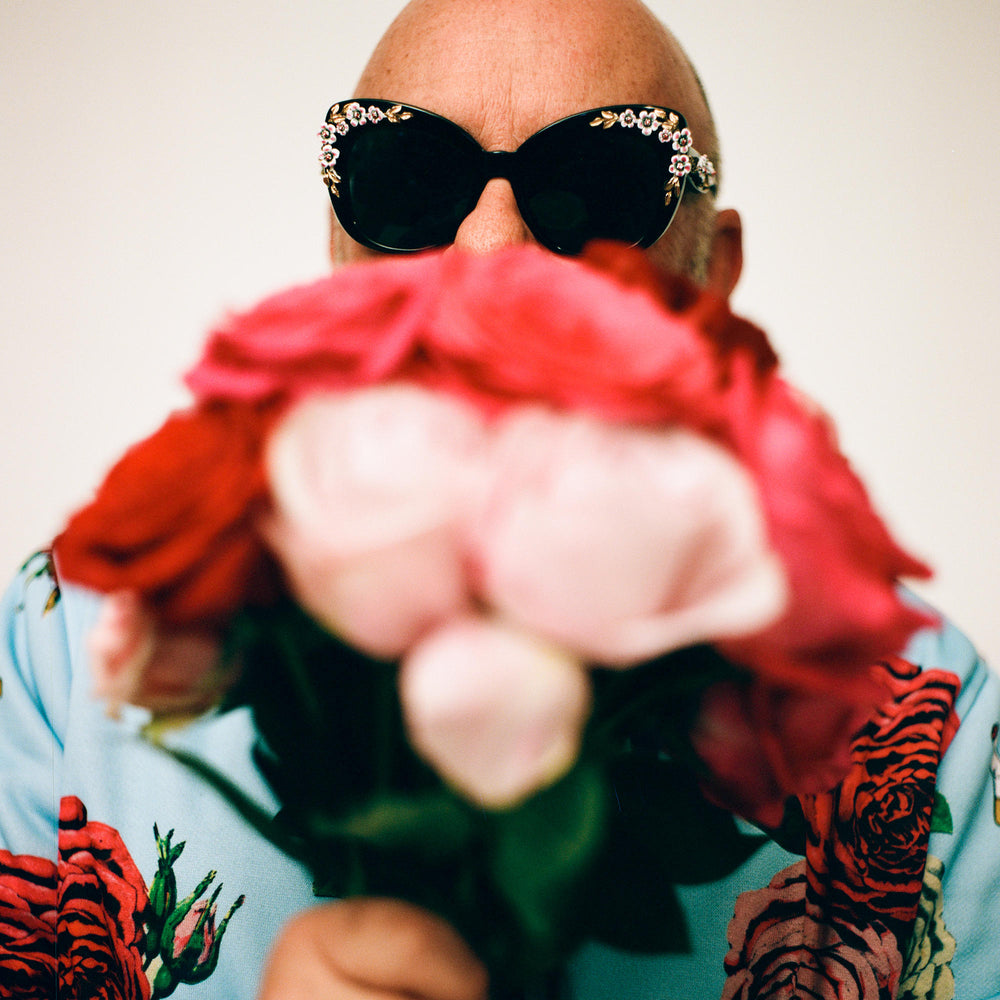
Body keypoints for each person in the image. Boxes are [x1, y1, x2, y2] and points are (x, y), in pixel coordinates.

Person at [0, 3, 997, 1000]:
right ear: (337, 248)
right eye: (406, 179)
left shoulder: (928, 725)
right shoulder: (69, 648)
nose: (492, 248)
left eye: (600, 182)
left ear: (715, 275)